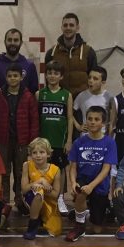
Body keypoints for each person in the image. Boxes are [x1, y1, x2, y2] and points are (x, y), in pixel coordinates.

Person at [0, 63, 39, 216]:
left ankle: (20, 200)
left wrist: (32, 141)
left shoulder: (28, 96)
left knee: (20, 172)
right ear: (6, 77)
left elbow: (34, 120)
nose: (13, 78)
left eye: (15, 76)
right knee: (4, 172)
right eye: (10, 76)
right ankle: (4, 201)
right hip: (3, 141)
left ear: (21, 77)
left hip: (22, 141)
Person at [66, 106, 117, 242]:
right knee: (80, 193)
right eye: (89, 119)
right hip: (83, 179)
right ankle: (79, 226)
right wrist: (72, 182)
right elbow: (73, 167)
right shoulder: (79, 142)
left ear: (103, 123)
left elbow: (106, 169)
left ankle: (88, 211)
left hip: (99, 184)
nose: (92, 122)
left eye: (96, 119)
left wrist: (92, 186)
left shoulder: (109, 143)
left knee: (97, 229)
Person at [36, 61, 73, 216]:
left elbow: (70, 118)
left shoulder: (67, 95)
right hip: (43, 142)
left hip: (59, 140)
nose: (52, 76)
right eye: (50, 73)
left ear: (61, 76)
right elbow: (36, 118)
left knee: (60, 170)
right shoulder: (39, 94)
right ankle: (43, 197)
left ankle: (60, 198)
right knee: (42, 170)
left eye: (56, 73)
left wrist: (69, 139)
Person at [45, 13, 97, 98]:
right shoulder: (51, 53)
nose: (68, 28)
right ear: (61, 27)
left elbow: (94, 79)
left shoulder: (89, 52)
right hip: (59, 100)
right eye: (65, 25)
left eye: (71, 25)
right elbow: (48, 80)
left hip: (82, 102)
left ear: (77, 28)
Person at [21, 138, 62, 240]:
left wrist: (43, 187)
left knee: (55, 231)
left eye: (42, 152)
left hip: (49, 200)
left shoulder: (56, 170)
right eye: (34, 152)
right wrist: (38, 182)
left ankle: (41, 217)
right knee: (38, 192)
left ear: (48, 154)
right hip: (31, 198)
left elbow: (55, 195)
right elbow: (24, 190)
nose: (38, 155)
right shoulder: (27, 165)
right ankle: (32, 226)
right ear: (30, 155)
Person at [0, 28, 39, 94]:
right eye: (9, 40)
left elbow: (34, 93)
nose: (12, 43)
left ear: (21, 43)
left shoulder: (29, 66)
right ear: (5, 42)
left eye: (16, 40)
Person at [73, 66, 113, 135]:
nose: (91, 81)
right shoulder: (82, 96)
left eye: (95, 79)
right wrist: (78, 126)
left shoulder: (109, 97)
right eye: (89, 77)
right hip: (85, 137)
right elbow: (69, 113)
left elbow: (113, 120)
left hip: (102, 137)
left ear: (103, 82)